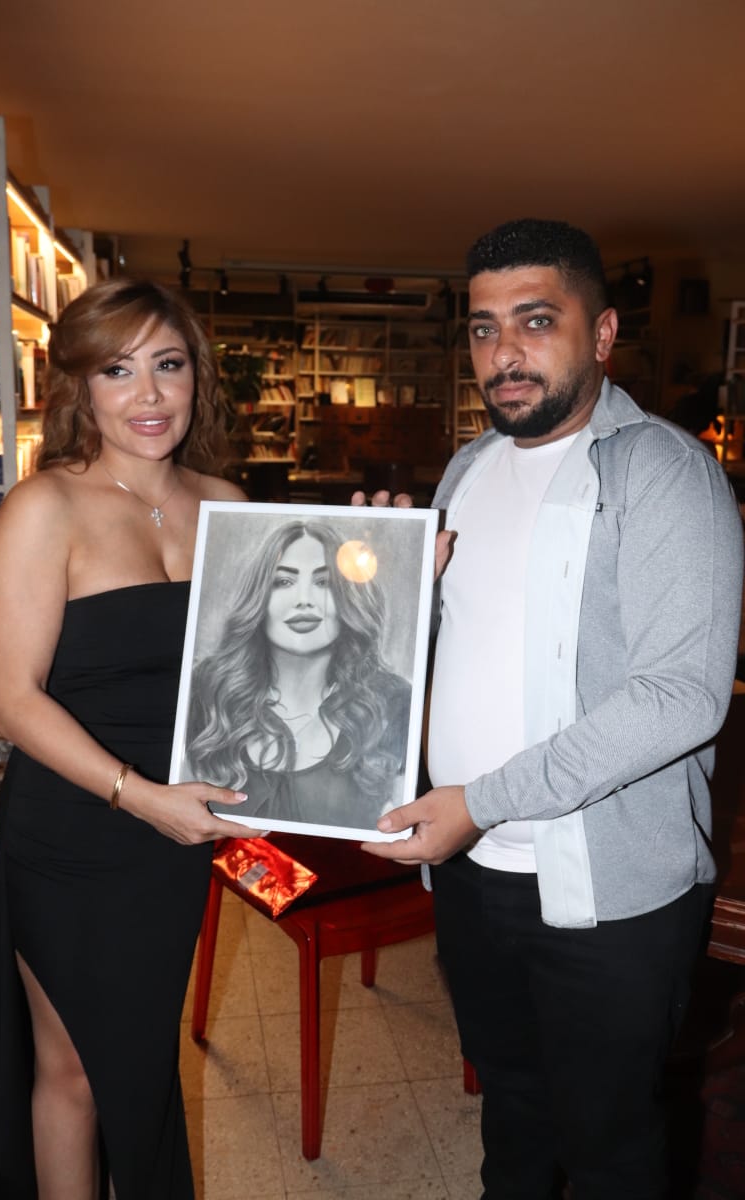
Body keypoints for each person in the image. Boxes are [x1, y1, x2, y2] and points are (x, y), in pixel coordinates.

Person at [363, 218, 745, 1198]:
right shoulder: (465, 470)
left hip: (606, 893)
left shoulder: (664, 473)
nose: (505, 352)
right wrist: (382, 589)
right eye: (484, 327)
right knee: (512, 1109)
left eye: (536, 321)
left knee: (611, 1147)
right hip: (470, 871)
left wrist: (480, 801)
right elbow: (457, 649)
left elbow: (679, 698)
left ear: (602, 333)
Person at [0, 277, 261, 1199]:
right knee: (77, 1069)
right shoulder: (43, 508)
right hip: (76, 825)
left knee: (138, 1049)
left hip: (177, 834)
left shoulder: (228, 503)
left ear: (197, 376)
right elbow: (12, 701)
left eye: (167, 365)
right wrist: (141, 798)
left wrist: (401, 573)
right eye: (118, 370)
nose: (148, 395)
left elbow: (268, 665)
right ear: (80, 387)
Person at [185, 518, 411, 830]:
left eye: (324, 582)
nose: (304, 600)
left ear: (348, 596)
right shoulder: (206, 691)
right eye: (283, 582)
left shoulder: (392, 702)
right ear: (260, 598)